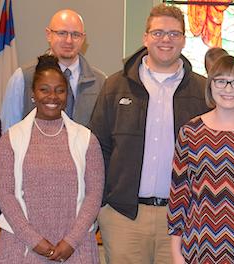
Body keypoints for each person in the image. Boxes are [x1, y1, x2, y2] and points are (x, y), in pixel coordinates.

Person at [88, 4, 210, 264]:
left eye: (174, 34)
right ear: (145, 38)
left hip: (182, 219)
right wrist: (102, 206)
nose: (166, 39)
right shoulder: (115, 86)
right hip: (123, 217)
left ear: (184, 40)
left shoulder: (202, 91)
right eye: (158, 32)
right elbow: (97, 150)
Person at [0, 54, 104, 263]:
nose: (52, 97)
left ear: (67, 94)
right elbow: (5, 196)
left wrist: (71, 241)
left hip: (75, 249)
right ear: (33, 94)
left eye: (60, 90)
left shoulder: (87, 140)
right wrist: (34, 241)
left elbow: (94, 195)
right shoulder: (10, 140)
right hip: (22, 248)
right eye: (44, 89)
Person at [168, 56, 234, 263]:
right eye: (221, 81)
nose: (229, 89)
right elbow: (179, 193)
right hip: (200, 243)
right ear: (210, 85)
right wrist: (176, 250)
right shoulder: (190, 132)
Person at [1, 9, 106, 130]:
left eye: (75, 34)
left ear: (83, 38)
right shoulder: (23, 78)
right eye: (62, 33)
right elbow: (9, 131)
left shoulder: (100, 82)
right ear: (48, 35)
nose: (69, 40)